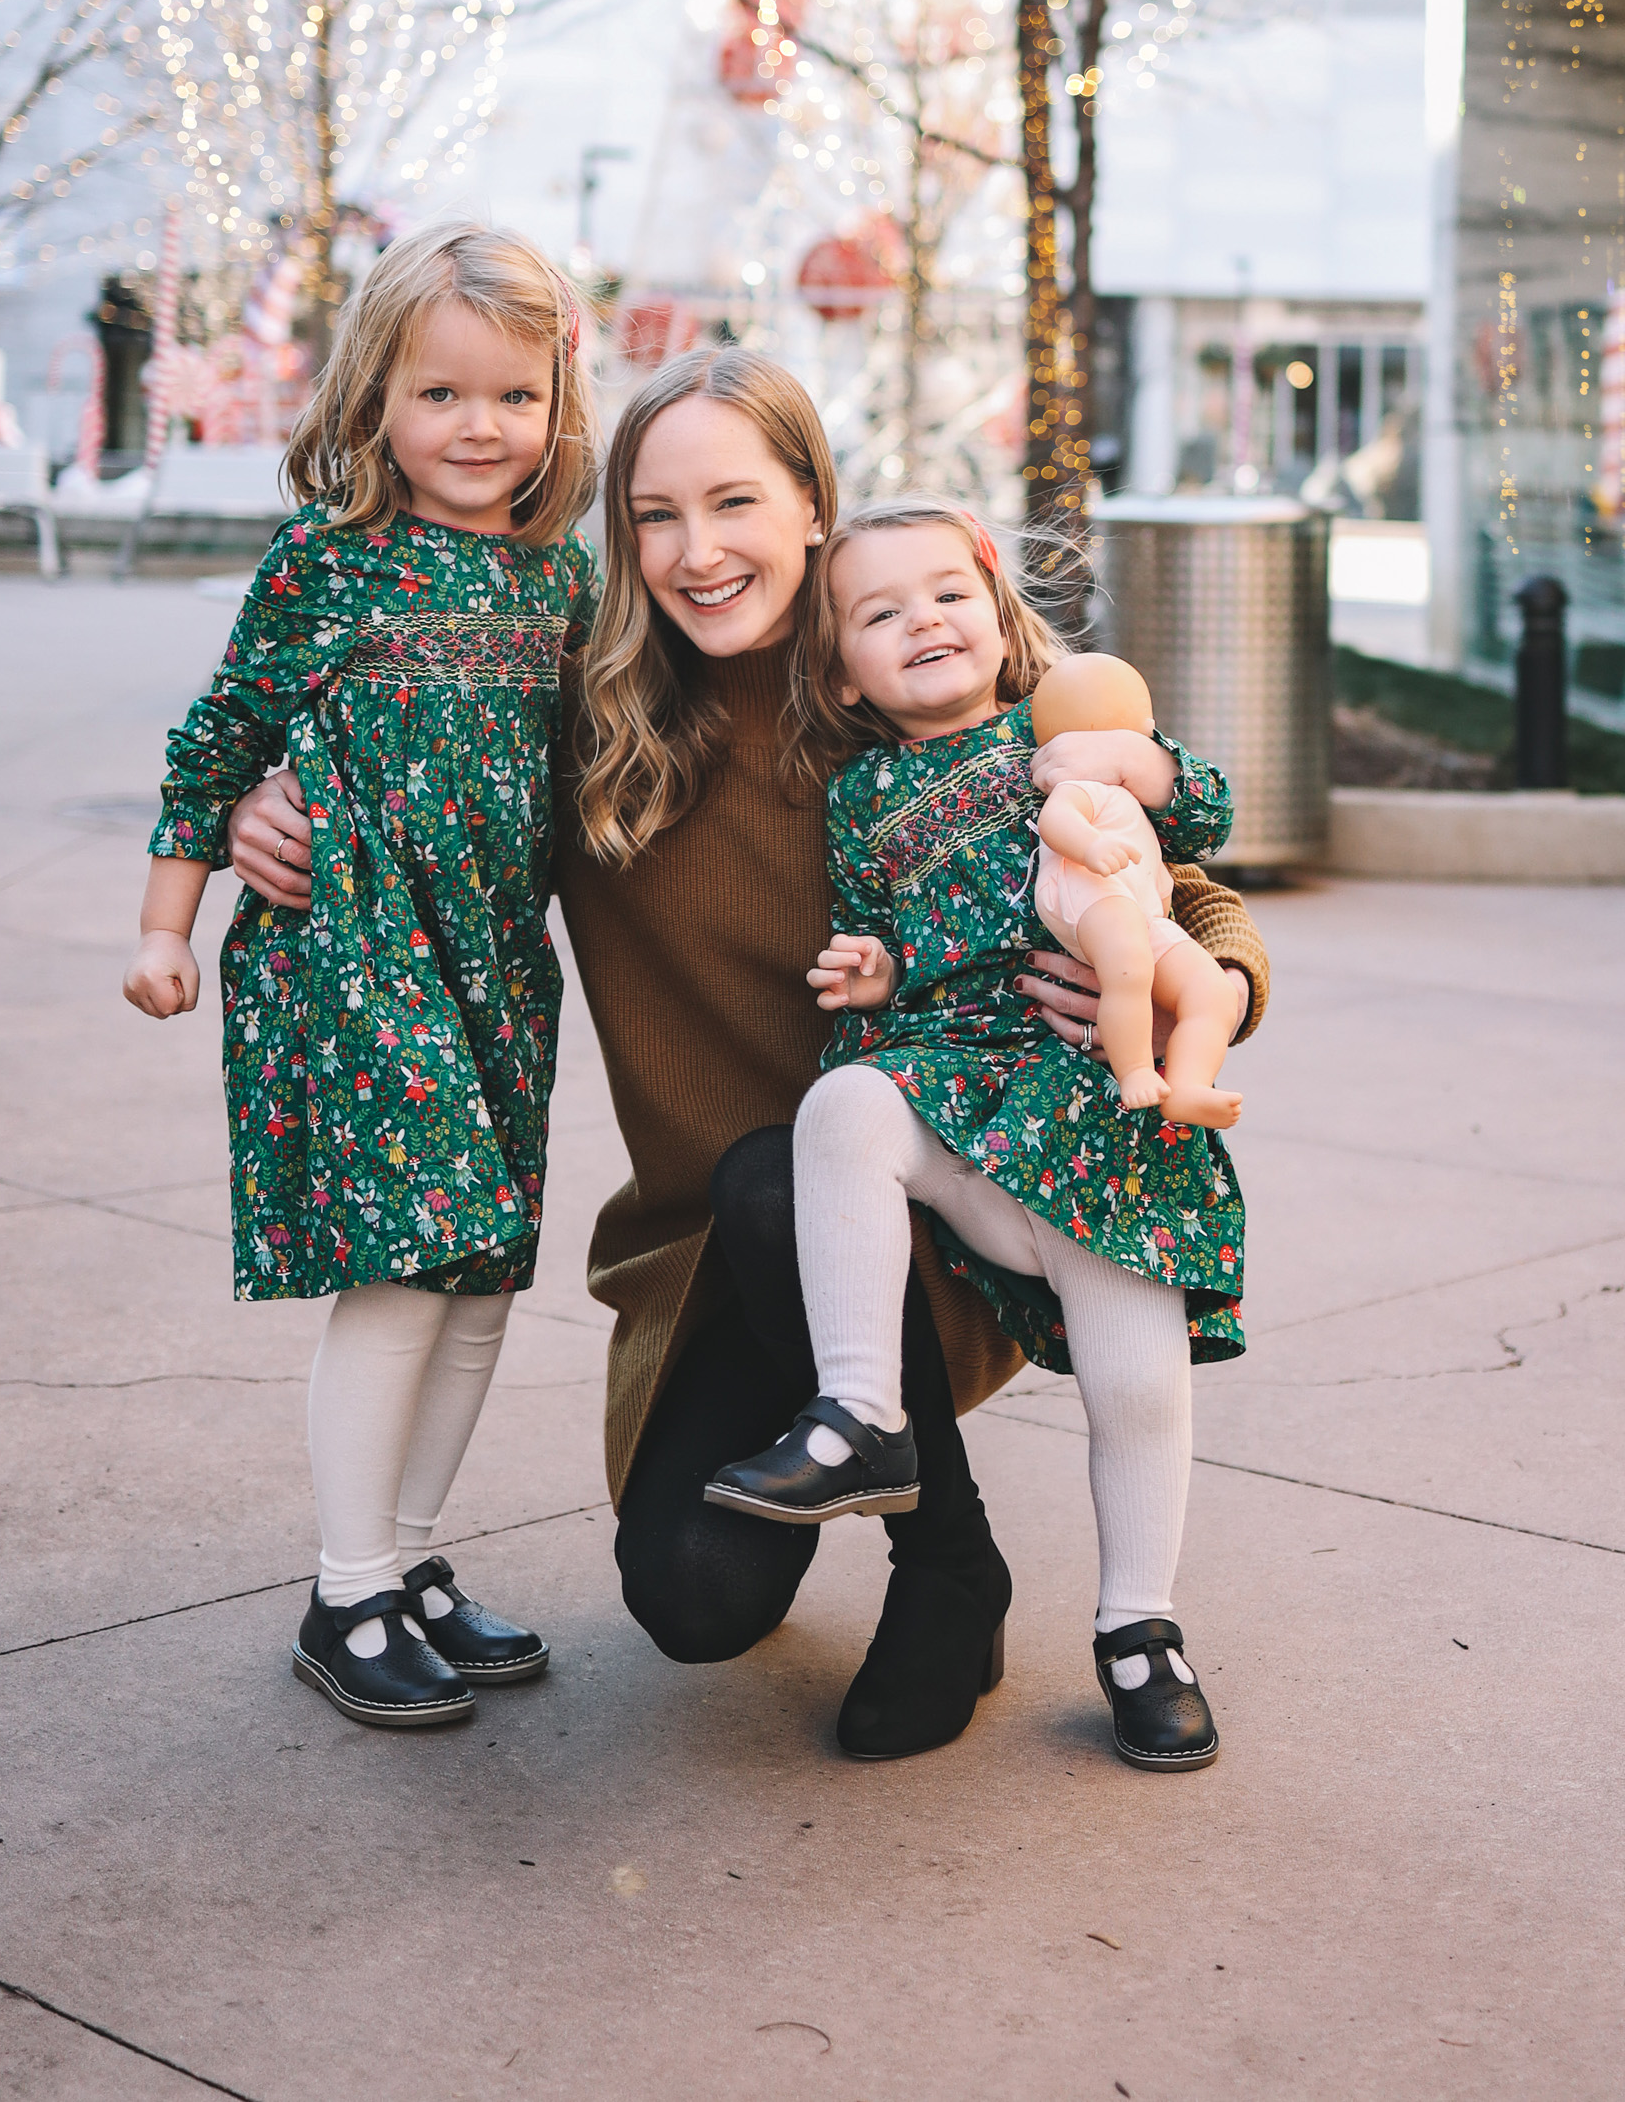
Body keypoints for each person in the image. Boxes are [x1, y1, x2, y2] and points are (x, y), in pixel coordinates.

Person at [226, 348, 1270, 1762]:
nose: (698, 551)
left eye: (735, 502)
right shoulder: (587, 724)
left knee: (805, 1153)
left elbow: (1154, 853)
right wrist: (273, 809)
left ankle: (948, 1568)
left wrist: (1210, 981)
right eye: (655, 515)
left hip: (935, 1214)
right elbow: (414, 780)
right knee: (693, 1601)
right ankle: (871, 1480)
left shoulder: (908, 670)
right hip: (721, 1247)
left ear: (812, 511)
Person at [122, 225, 601, 1730]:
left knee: (480, 1277)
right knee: (412, 1256)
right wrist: (165, 923)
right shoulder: (328, 563)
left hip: (492, 967)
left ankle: (401, 1562)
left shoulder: (562, 582)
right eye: (441, 394)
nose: (479, 428)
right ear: (374, 398)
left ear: (557, 406)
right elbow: (219, 738)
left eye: (513, 398)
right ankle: (345, 1598)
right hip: (346, 945)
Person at [705, 500, 1246, 1771]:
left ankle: (1139, 1630)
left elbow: (1206, 817)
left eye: (946, 595)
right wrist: (876, 971)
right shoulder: (864, 794)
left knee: (1137, 1379)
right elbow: (889, 928)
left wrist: (1142, 769)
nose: (922, 624)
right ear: (842, 669)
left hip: (1088, 1110)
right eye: (879, 614)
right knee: (839, 1105)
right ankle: (858, 1416)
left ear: (1000, 614)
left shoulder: (1061, 732)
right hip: (955, 1090)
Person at [1030, 651, 1244, 1129]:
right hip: (1087, 890)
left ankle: (1188, 1084)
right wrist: (1091, 845)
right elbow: (1056, 819)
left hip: (1135, 906)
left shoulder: (1128, 790)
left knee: (1210, 990)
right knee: (1129, 967)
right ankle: (1135, 1071)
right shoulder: (1079, 782)